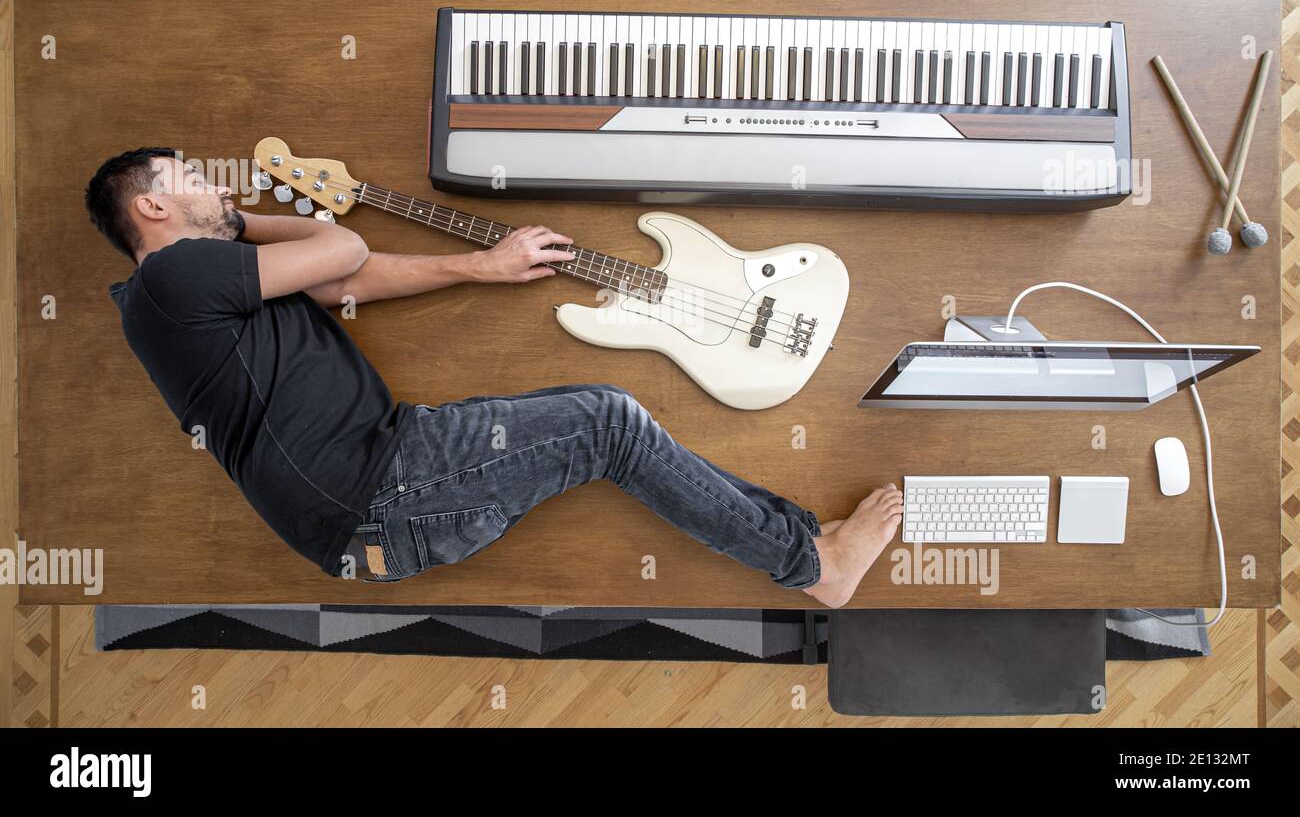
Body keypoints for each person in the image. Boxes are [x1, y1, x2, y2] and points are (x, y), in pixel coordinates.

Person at [85, 148, 902, 608]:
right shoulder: (170, 279)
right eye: (189, 178)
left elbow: (344, 284)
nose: (215, 183)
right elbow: (341, 249)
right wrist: (242, 221)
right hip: (376, 496)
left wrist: (480, 265)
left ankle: (808, 544)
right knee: (608, 421)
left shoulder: (185, 294)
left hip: (385, 483)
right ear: (151, 209)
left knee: (607, 426)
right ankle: (813, 566)